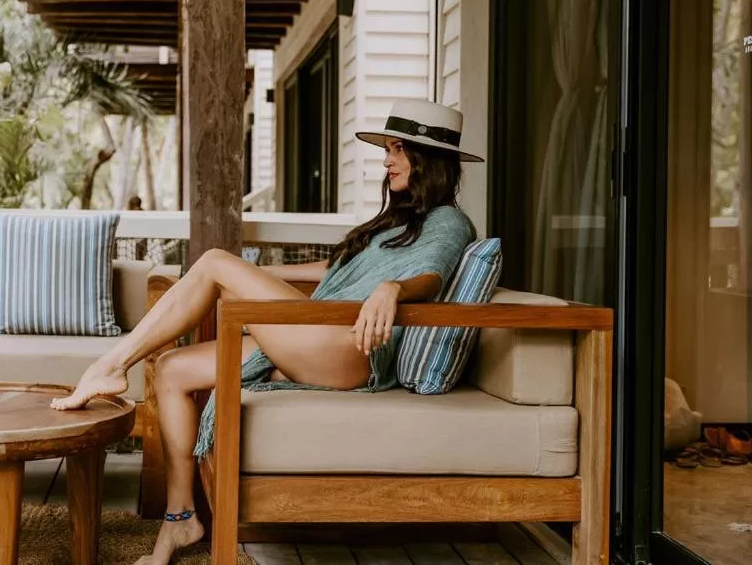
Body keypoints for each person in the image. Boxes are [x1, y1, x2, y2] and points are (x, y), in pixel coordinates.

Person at [51, 99, 483, 565]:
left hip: (350, 347)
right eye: (388, 150)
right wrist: (261, 274)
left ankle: (110, 364)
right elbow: (332, 272)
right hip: (321, 334)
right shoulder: (399, 222)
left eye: (398, 150)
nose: (387, 160)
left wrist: (394, 288)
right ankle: (180, 520)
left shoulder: (449, 221)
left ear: (428, 160)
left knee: (214, 261)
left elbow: (433, 276)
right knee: (173, 369)